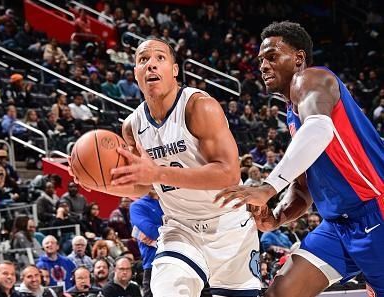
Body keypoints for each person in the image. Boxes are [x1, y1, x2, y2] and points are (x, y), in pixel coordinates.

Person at [214, 21, 384, 297]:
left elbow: (320, 128)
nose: (263, 66)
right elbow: (304, 187)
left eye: (272, 56)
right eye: (260, 60)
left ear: (298, 58)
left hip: (376, 212)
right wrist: (275, 217)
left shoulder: (313, 79)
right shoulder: (292, 113)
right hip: (339, 226)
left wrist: (267, 188)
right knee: (280, 293)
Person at [94, 38, 260, 296]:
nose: (151, 65)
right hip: (180, 229)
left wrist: (158, 173)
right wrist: (94, 183)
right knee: (168, 289)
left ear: (174, 70)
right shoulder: (132, 125)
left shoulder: (199, 107)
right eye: (143, 60)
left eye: (160, 58)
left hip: (230, 227)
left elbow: (228, 174)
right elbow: (143, 185)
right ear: (135, 73)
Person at [129, 189, 163, 297]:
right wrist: (172, 229)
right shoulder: (137, 206)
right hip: (153, 263)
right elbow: (152, 232)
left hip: (180, 261)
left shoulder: (170, 203)